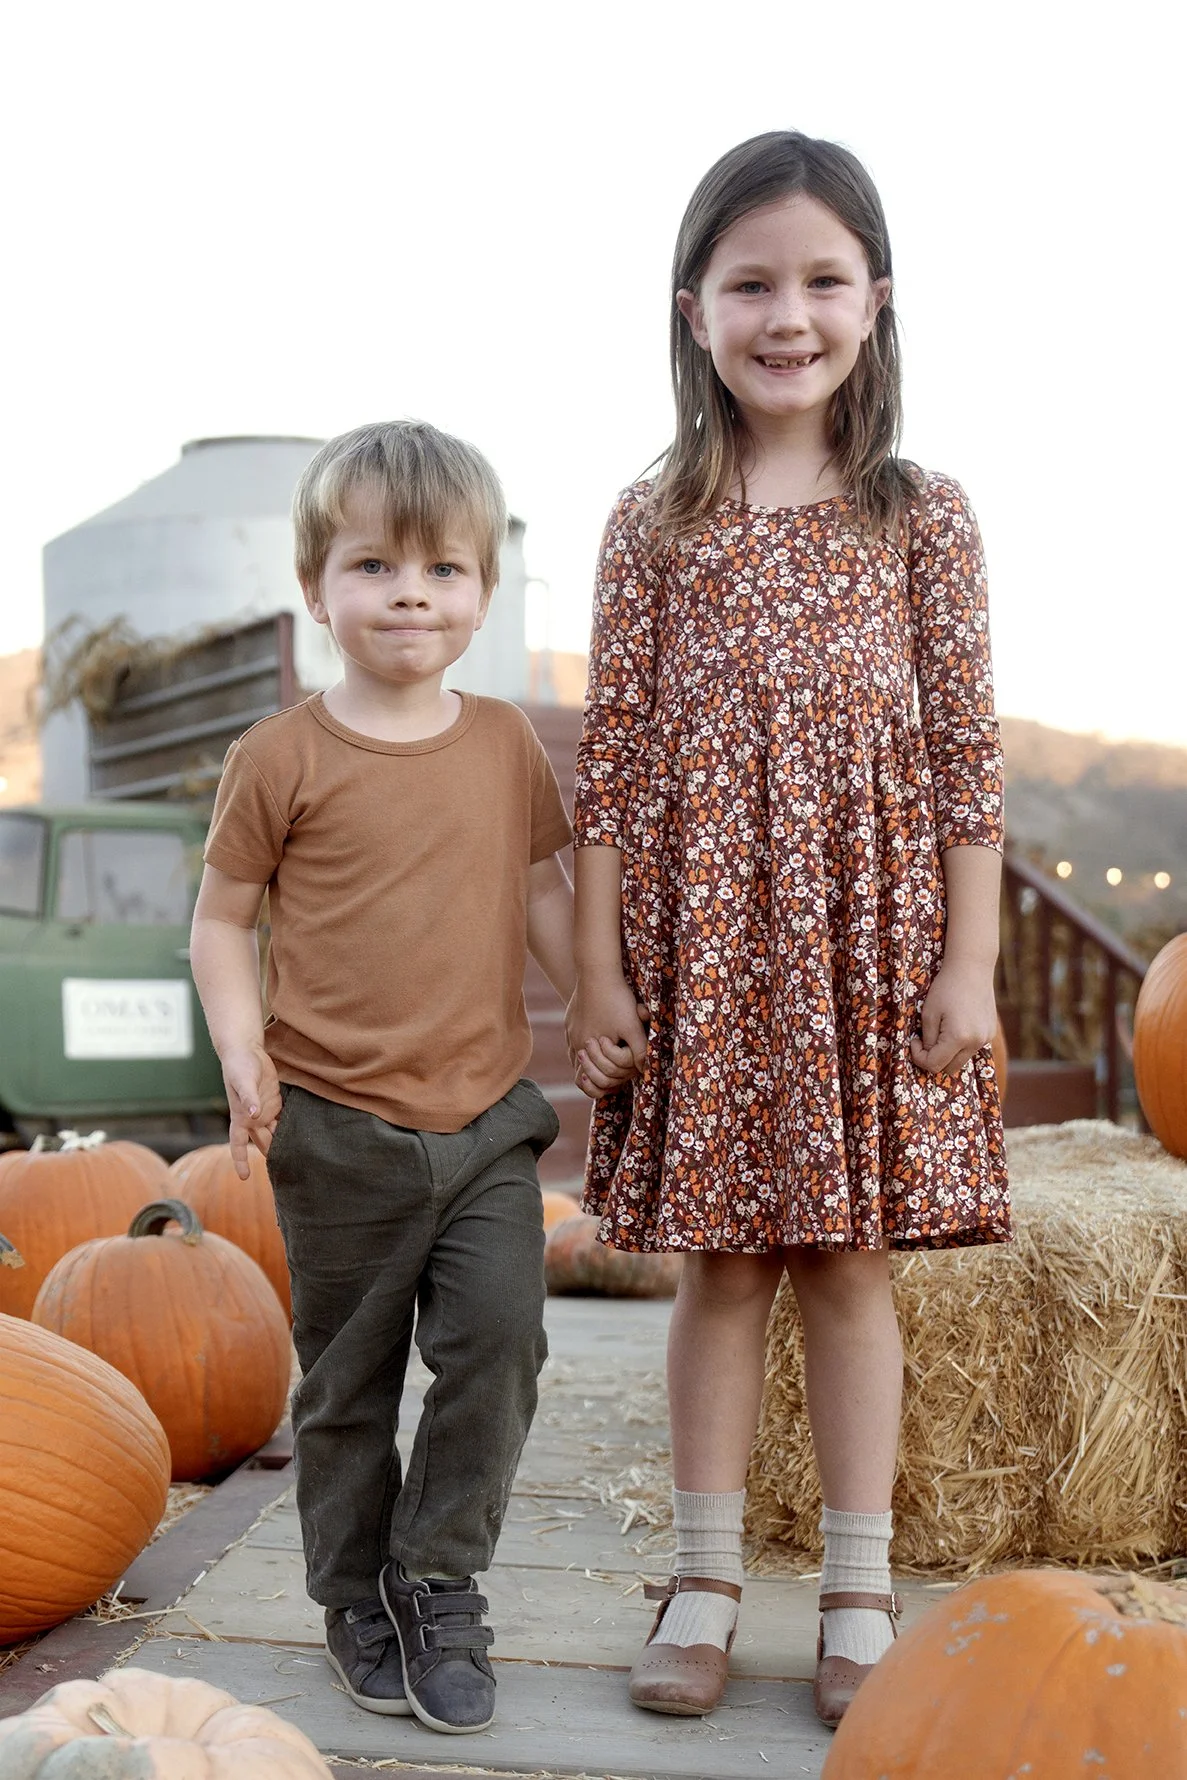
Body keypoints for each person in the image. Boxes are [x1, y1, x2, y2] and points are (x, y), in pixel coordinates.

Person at [566, 130, 1008, 1730]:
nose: (787, 314)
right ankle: (697, 1576)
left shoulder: (921, 517)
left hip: (868, 943)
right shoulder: (654, 520)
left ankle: (858, 1584)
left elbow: (965, 757)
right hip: (710, 944)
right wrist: (596, 968)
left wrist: (966, 963)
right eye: (750, 282)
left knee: (845, 1264)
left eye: (822, 280)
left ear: (874, 302)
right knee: (726, 1268)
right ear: (693, 308)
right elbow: (608, 768)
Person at [190, 420, 577, 1736]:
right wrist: (242, 1048)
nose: (410, 590)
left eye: (443, 568)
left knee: (498, 1346)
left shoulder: (507, 748)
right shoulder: (280, 757)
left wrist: (599, 995)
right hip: (337, 1132)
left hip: (484, 1124)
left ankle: (436, 1573)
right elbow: (221, 918)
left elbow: (540, 889)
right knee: (346, 1387)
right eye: (373, 565)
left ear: (480, 593)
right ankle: (351, 1593)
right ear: (316, 590)